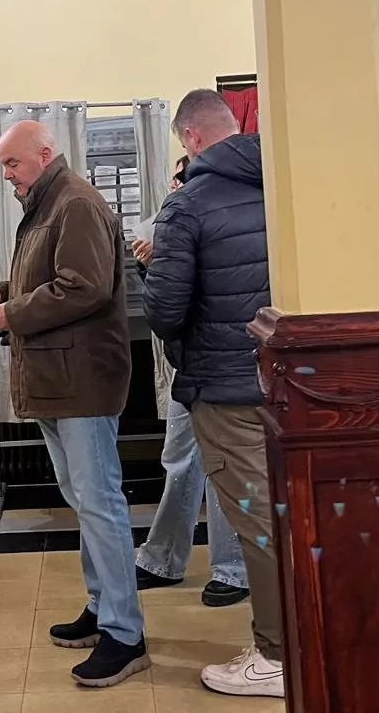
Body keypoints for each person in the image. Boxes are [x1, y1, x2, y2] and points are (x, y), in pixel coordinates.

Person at [0, 120, 147, 688]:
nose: (6, 175)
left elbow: (85, 286)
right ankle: (102, 608)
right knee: (83, 499)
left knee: (99, 503)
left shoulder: (74, 202)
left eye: (13, 164)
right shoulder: (50, 202)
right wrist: (6, 289)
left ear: (44, 154)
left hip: (81, 382)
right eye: (3, 166)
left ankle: (125, 634)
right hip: (57, 378)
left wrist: (14, 314)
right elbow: (52, 273)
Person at [142, 89, 283, 697]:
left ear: (191, 138)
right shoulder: (281, 182)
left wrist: (155, 268)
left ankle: (277, 654)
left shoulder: (188, 204)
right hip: (292, 379)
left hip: (225, 382)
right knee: (287, 510)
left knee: (254, 519)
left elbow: (167, 313)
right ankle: (306, 635)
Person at [131, 155, 249, 607]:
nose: (176, 187)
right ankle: (162, 559)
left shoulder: (225, 218)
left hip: (230, 361)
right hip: (192, 361)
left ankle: (234, 568)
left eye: (182, 178)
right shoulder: (179, 222)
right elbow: (168, 306)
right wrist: (152, 266)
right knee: (179, 457)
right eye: (174, 180)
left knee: (224, 467)